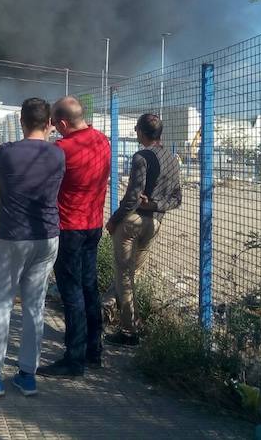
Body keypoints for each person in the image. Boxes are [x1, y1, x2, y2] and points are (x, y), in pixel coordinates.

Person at [0, 98, 64, 398]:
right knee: (35, 307)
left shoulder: (6, 153)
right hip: (47, 237)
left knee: (0, 305)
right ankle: (27, 376)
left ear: (21, 122)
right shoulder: (58, 155)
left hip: (12, 238)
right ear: (49, 124)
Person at [37, 96, 111, 378]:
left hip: (69, 228)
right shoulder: (102, 141)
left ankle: (74, 358)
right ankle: (94, 350)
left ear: (64, 123)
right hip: (93, 225)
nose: (54, 128)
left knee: (72, 293)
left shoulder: (62, 150)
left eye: (56, 124)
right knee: (90, 287)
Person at [103, 113, 181, 346]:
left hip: (132, 223)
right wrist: (156, 205)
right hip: (155, 223)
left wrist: (114, 220)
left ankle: (128, 331)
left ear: (141, 132)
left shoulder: (141, 156)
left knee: (124, 274)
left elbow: (132, 197)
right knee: (132, 272)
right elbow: (177, 198)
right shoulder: (172, 159)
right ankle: (113, 310)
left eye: (137, 129)